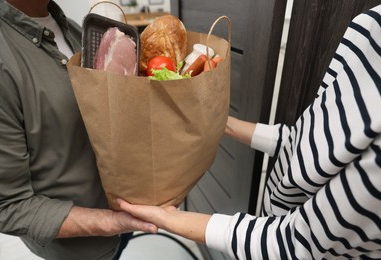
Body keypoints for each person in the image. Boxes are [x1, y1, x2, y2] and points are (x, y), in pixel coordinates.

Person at [118, 4, 381, 260]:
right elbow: (304, 142)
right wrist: (218, 122)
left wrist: (172, 220)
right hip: (270, 216)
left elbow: (295, 244)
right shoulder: (372, 26)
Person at [0, 1, 157, 260]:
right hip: (82, 249)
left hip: (124, 215)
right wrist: (115, 222)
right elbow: (6, 206)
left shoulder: (72, 29)